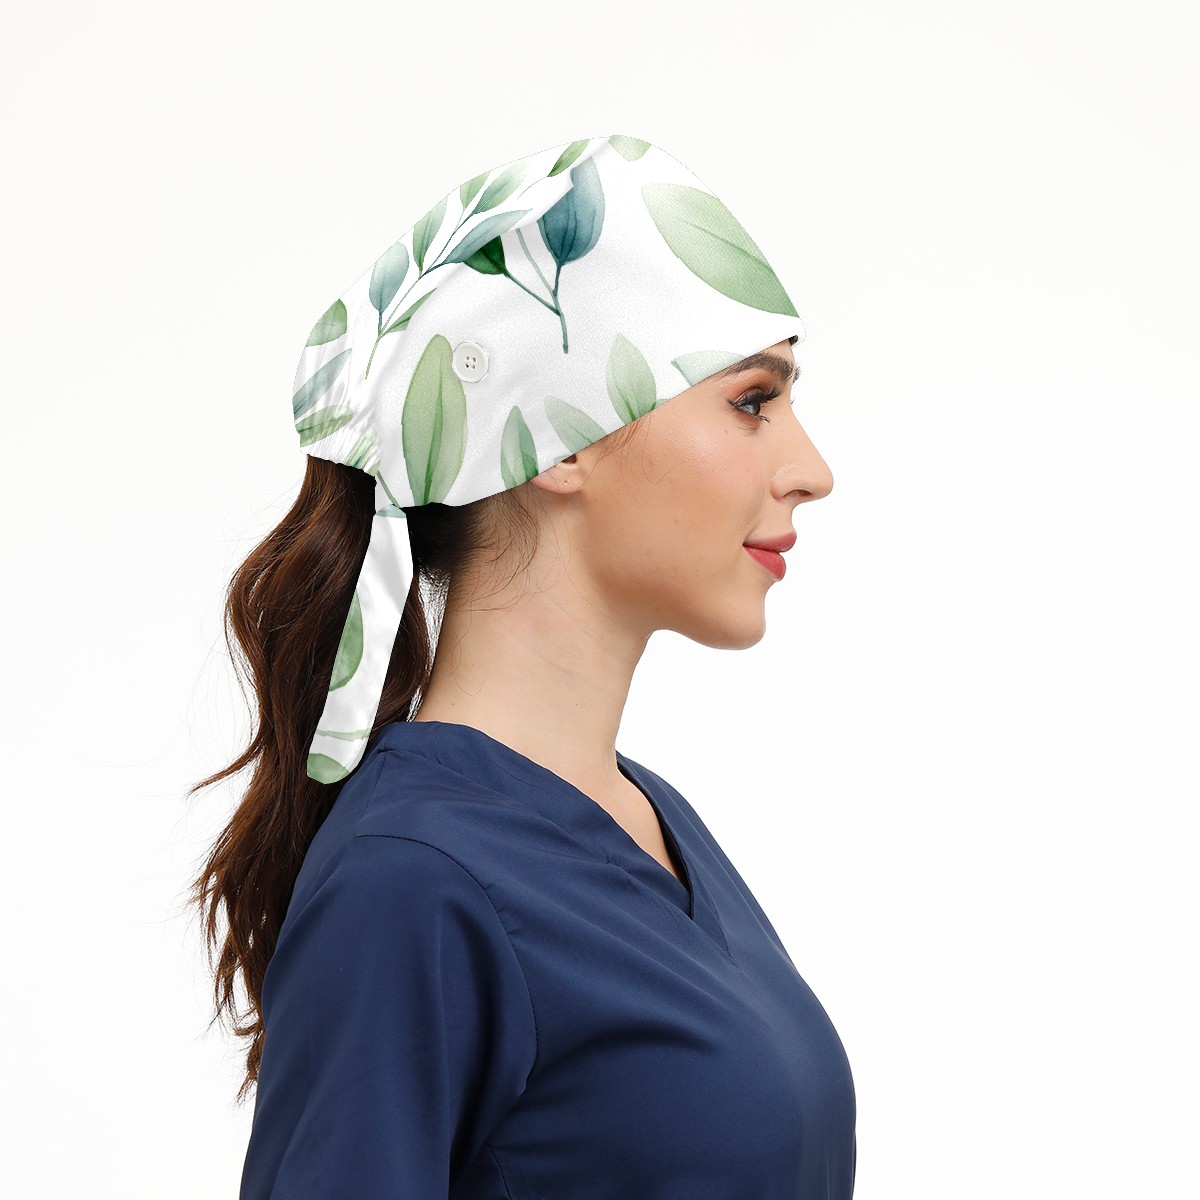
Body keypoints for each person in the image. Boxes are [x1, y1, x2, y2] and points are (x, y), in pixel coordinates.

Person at [189, 133, 856, 1198]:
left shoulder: (648, 819)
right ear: (559, 440)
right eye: (751, 401)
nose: (810, 469)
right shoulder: (411, 880)